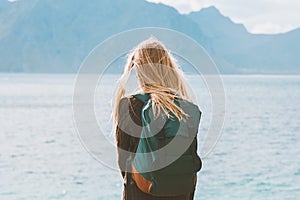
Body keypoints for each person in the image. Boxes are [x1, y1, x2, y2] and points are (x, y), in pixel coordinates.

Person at [113, 37, 202, 200]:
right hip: (181, 192)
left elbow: (123, 163)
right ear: (168, 67)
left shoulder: (129, 105)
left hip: (141, 192)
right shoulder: (184, 108)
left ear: (138, 68)